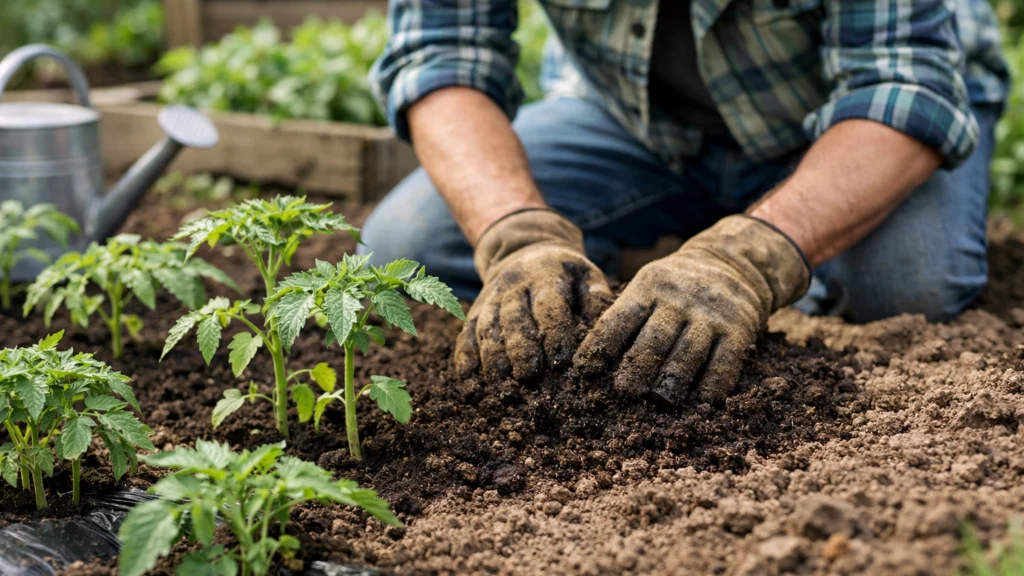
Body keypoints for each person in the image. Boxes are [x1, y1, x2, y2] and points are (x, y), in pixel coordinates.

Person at [360, 0, 1009, 403]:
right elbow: (443, 55)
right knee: (409, 244)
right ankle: (701, 235)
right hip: (632, 116)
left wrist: (747, 261)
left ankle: (757, 228)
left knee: (907, 284)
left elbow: (903, 87)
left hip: (853, 113)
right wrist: (516, 236)